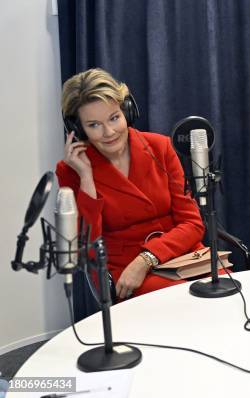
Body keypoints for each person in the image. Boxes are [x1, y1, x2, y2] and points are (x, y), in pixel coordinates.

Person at [56, 68, 205, 299]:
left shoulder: (160, 147)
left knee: (226, 291)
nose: (109, 132)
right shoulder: (70, 170)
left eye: (114, 118)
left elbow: (193, 223)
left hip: (181, 253)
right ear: (77, 129)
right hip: (124, 269)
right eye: (94, 125)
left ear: (127, 111)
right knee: (181, 300)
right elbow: (87, 247)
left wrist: (146, 259)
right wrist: (86, 178)